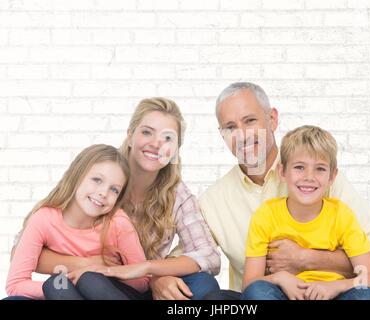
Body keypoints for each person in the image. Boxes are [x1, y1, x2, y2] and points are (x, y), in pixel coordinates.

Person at [200, 82, 370, 300]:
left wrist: (306, 259)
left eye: (250, 120)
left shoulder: (319, 176)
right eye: (230, 127)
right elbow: (193, 253)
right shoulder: (213, 200)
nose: (242, 135)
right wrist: (164, 277)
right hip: (266, 295)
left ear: (272, 119)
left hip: (333, 291)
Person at [10, 98, 220, 300]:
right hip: (82, 282)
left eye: (168, 138)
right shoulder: (100, 170)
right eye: (147, 132)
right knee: (58, 287)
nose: (156, 144)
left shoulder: (176, 195)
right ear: (130, 135)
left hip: (139, 285)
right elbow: (20, 254)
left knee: (204, 285)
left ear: (175, 149)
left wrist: (152, 272)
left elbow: (209, 257)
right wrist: (88, 264)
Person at [242, 125, 370, 300]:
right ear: (282, 172)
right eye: (299, 167)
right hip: (285, 295)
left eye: (320, 169)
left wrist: (336, 286)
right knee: (257, 292)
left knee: (367, 296)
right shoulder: (266, 214)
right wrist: (280, 278)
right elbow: (249, 284)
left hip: (333, 294)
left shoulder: (341, 215)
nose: (309, 176)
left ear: (332, 177)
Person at [6, 144, 150, 300]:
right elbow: (15, 284)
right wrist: (73, 279)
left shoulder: (118, 223)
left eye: (114, 189)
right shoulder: (44, 219)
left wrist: (102, 271)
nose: (103, 193)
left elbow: (142, 282)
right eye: (97, 180)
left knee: (89, 280)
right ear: (77, 175)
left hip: (110, 293)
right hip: (66, 295)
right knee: (55, 284)